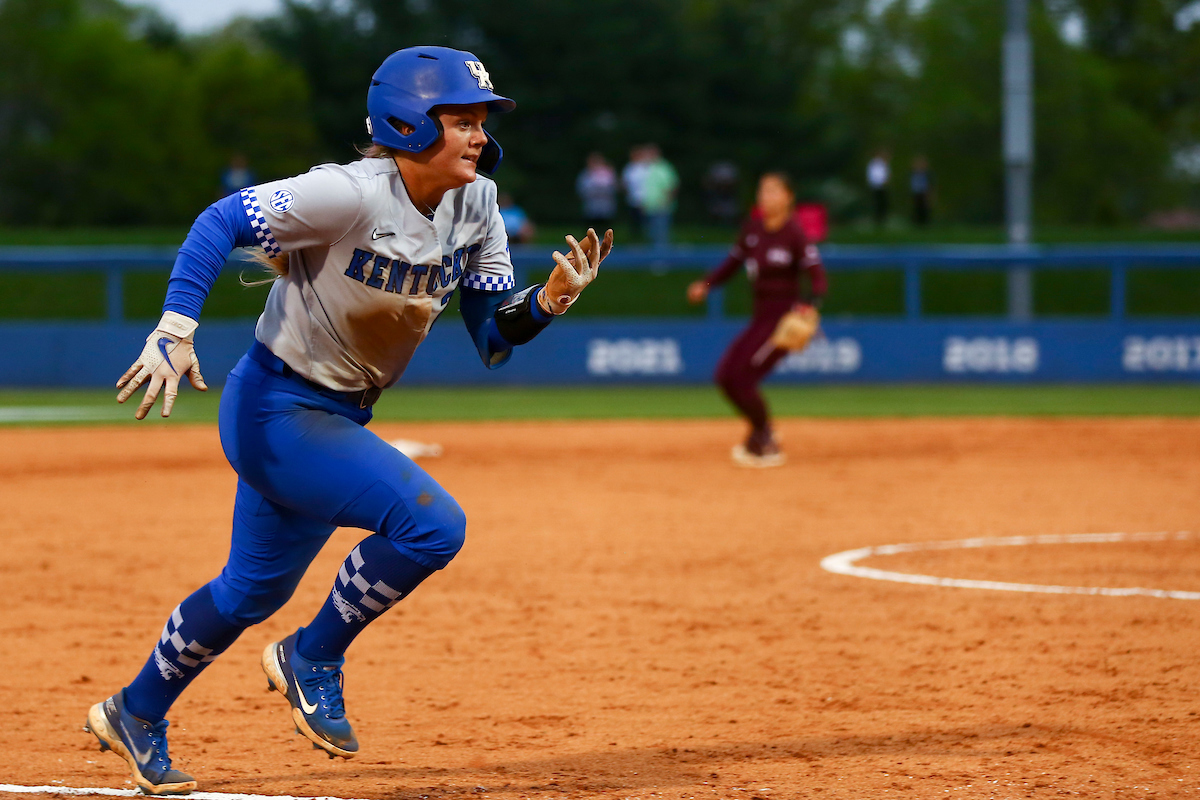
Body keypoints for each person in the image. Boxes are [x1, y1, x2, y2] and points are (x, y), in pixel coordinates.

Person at [83, 45, 613, 795]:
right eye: (460, 120)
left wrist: (548, 301)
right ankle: (314, 654)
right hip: (274, 407)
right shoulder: (348, 194)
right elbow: (217, 222)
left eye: (480, 122)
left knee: (247, 593)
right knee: (433, 526)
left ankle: (133, 711)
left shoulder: (479, 205)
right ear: (405, 123)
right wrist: (174, 326)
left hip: (336, 414)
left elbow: (493, 335)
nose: (479, 136)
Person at [687, 172, 826, 467]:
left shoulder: (794, 233)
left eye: (774, 191)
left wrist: (810, 305)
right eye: (763, 191)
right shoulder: (753, 231)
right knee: (726, 376)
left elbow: (817, 277)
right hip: (760, 319)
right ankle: (759, 434)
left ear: (788, 197)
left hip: (782, 321)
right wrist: (706, 285)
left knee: (744, 378)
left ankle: (765, 439)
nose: (766, 197)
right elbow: (731, 265)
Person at [640, 144, 679, 248]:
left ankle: (662, 259)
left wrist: (666, 202)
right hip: (650, 207)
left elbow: (672, 186)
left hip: (661, 206)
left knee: (661, 234)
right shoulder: (648, 169)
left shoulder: (663, 168)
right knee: (652, 233)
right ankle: (654, 258)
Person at [576, 151, 618, 232]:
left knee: (605, 225)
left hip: (606, 205)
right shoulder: (586, 174)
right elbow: (582, 189)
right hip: (591, 205)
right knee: (591, 226)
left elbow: (613, 186)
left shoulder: (608, 173)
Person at [621, 144, 650, 240]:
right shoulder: (629, 168)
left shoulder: (646, 168)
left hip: (646, 200)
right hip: (633, 200)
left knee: (647, 223)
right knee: (635, 224)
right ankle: (636, 241)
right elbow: (624, 183)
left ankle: (647, 241)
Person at [867, 149, 890, 227]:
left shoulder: (883, 163)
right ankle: (877, 219)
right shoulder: (873, 163)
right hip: (876, 186)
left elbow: (886, 174)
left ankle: (883, 218)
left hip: (883, 186)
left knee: (883, 203)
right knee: (877, 202)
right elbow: (871, 175)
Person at [911, 154, 933, 227]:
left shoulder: (927, 174)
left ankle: (925, 224)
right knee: (917, 208)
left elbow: (930, 184)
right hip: (916, 193)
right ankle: (917, 223)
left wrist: (929, 193)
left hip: (924, 193)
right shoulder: (914, 174)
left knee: (925, 208)